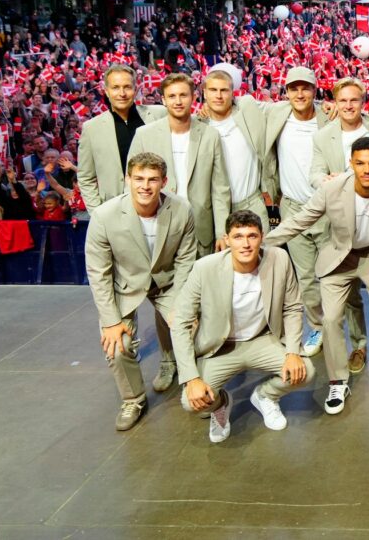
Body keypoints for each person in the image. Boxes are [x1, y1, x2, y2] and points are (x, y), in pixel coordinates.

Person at [266, 137, 369, 413]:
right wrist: (263, 243)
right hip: (340, 257)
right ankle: (338, 380)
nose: (367, 170)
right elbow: (301, 220)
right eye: (360, 163)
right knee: (330, 319)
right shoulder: (332, 190)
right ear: (351, 164)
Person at [171, 210, 315, 443]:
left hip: (263, 339)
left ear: (262, 237)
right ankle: (221, 404)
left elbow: (292, 308)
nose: (246, 244)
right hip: (221, 347)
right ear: (227, 239)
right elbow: (180, 323)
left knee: (306, 371)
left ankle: (265, 396)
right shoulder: (204, 268)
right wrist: (190, 378)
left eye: (252, 236)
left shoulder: (279, 259)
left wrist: (292, 351)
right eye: (238, 237)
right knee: (191, 402)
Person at [84, 152, 197, 431]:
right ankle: (133, 399)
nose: (145, 186)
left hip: (168, 282)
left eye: (152, 179)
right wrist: (111, 321)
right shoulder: (104, 216)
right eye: (138, 179)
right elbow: (99, 273)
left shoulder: (182, 210)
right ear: (128, 180)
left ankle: (191, 383)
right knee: (117, 344)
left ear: (164, 182)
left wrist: (179, 306)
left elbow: (186, 261)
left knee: (192, 327)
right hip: (125, 285)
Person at [309, 77, 369, 373]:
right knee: (346, 293)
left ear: (363, 102)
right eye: (343, 100)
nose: (348, 105)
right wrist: (329, 182)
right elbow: (315, 174)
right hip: (340, 228)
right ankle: (359, 345)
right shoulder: (323, 136)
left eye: (354, 100)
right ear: (334, 103)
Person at [253, 66, 337, 358]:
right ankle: (318, 326)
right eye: (293, 88)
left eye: (305, 88)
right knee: (306, 278)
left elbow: (362, 118)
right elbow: (234, 105)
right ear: (285, 92)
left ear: (316, 91)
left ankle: (342, 330)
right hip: (292, 208)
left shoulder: (330, 117)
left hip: (328, 209)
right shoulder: (275, 114)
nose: (299, 94)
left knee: (335, 276)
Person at [130, 73, 231, 257]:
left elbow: (220, 189)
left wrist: (221, 233)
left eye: (183, 95)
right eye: (172, 96)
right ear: (163, 99)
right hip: (157, 226)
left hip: (201, 229)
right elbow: (130, 185)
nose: (178, 101)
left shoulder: (210, 135)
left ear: (193, 97)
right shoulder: (144, 135)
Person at [77, 63, 166, 210]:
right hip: (116, 210)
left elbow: (190, 120)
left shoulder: (160, 114)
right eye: (115, 87)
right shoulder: (91, 128)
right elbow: (86, 177)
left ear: (135, 89)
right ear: (106, 91)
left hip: (159, 206)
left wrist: (205, 112)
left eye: (127, 87)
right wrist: (97, 213)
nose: (122, 93)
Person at [200, 67, 271, 231]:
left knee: (264, 254)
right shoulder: (198, 124)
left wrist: (324, 105)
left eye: (224, 90)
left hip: (252, 203)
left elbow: (279, 108)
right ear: (204, 93)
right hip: (216, 212)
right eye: (213, 90)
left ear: (233, 93)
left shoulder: (247, 110)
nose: (218, 96)